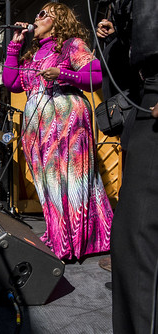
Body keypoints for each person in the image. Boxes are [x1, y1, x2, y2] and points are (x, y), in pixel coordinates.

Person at [2, 2, 113, 260]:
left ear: (57, 20)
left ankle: (76, 241)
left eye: (42, 14)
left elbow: (95, 76)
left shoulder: (71, 45)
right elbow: (11, 83)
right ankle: (59, 235)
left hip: (66, 121)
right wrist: (15, 45)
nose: (36, 18)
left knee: (71, 180)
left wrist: (62, 73)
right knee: (48, 183)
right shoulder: (32, 54)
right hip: (37, 126)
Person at [96, 1, 158, 332]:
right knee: (132, 239)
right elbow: (123, 76)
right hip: (144, 102)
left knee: (139, 238)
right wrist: (114, 40)